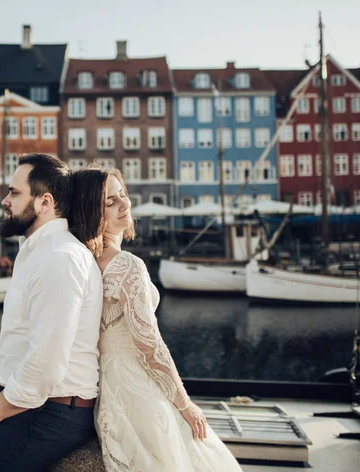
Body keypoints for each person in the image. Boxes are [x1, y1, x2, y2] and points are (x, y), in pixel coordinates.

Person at [0, 154, 103, 471]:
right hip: (30, 402)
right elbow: (20, 338)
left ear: (45, 202)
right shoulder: (35, 251)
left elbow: (46, 363)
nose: (5, 201)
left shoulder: (59, 257)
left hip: (55, 412)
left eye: (14, 193)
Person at [70, 166, 242, 472]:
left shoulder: (86, 261)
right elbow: (149, 346)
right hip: (138, 386)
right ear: (92, 213)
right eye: (110, 202)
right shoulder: (127, 266)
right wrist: (185, 404)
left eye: (122, 194)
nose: (124, 204)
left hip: (109, 391)